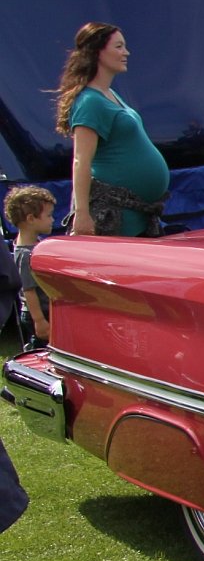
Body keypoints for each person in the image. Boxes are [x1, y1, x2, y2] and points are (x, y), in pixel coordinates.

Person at [54, 23, 169, 237]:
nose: (126, 52)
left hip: (136, 211)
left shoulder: (110, 94)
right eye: (118, 47)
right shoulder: (90, 101)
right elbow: (81, 160)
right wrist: (82, 213)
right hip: (113, 212)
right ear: (97, 52)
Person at [7, 185, 56, 346]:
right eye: (48, 216)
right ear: (31, 219)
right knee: (42, 347)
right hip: (38, 312)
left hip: (45, 309)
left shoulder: (34, 244)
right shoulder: (26, 254)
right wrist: (39, 321)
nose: (53, 220)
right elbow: (29, 290)